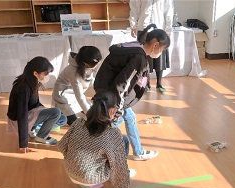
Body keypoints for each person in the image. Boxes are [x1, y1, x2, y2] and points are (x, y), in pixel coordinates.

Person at [94, 24, 170, 160]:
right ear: (156, 45)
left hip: (105, 88)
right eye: (163, 49)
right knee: (111, 125)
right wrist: (116, 108)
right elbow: (123, 83)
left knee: (130, 118)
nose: (161, 53)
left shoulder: (134, 46)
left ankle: (138, 152)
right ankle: (94, 148)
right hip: (112, 95)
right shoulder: (139, 58)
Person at [58, 90, 136, 188]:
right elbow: (118, 164)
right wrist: (123, 185)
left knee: (105, 150)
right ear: (113, 111)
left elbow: (61, 145)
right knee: (123, 142)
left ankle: (85, 182)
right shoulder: (112, 133)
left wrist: (75, 158)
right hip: (90, 177)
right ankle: (91, 182)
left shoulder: (78, 122)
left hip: (71, 172)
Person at [7, 56, 67, 153]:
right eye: (46, 73)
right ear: (35, 73)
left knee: (62, 119)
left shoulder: (32, 81)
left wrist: (45, 112)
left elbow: (35, 103)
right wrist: (23, 143)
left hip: (31, 113)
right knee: (56, 112)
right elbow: (21, 115)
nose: (47, 76)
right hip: (20, 120)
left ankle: (33, 129)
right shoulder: (23, 88)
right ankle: (41, 136)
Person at [129, 0, 174, 93]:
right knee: (144, 58)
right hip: (143, 28)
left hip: (160, 27)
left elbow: (169, 11)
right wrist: (133, 25)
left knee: (160, 58)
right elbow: (134, 7)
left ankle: (159, 83)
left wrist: (168, 29)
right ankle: (146, 83)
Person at [52, 46, 102, 125]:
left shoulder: (85, 65)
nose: (96, 66)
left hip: (74, 96)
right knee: (75, 124)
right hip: (63, 97)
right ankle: (55, 117)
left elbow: (91, 81)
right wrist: (90, 115)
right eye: (95, 65)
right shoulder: (73, 71)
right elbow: (80, 96)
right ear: (85, 64)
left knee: (91, 112)